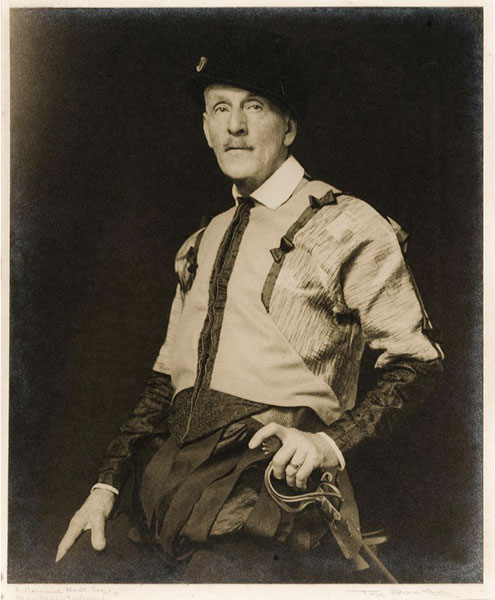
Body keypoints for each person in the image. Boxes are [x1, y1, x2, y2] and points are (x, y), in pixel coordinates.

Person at [55, 30, 443, 583]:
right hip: (164, 489)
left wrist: (329, 443)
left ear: (289, 126)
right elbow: (166, 382)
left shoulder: (348, 225)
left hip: (268, 500)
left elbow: (418, 362)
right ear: (206, 128)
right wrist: (106, 486)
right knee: (74, 571)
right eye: (221, 108)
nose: (235, 125)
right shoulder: (199, 243)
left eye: (254, 106)